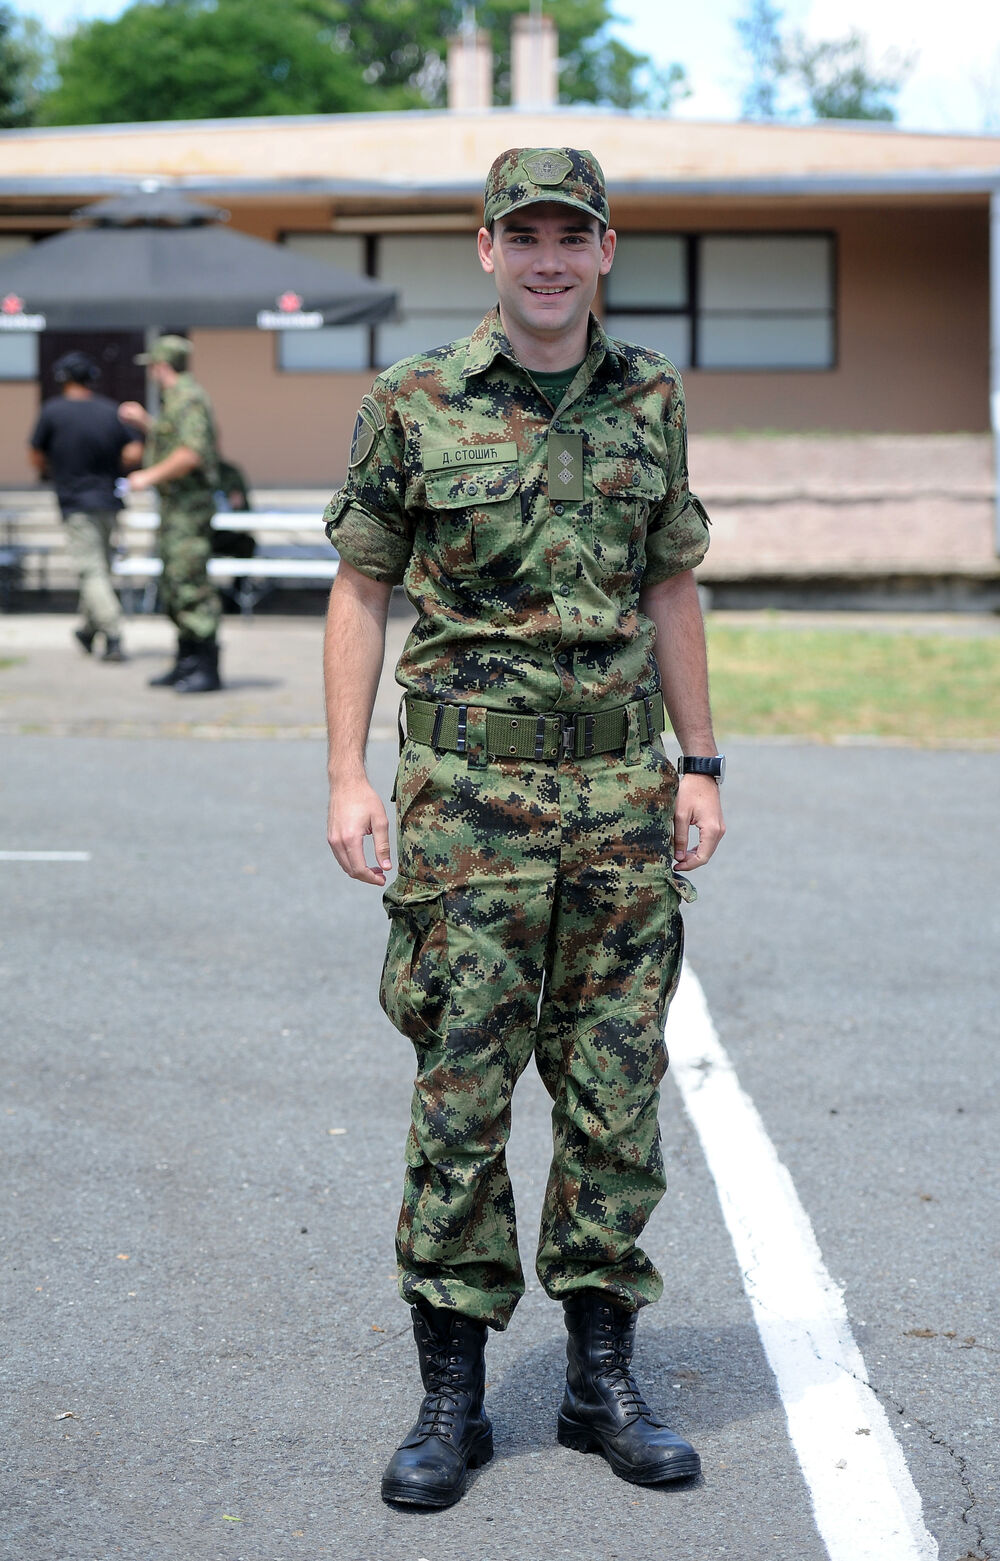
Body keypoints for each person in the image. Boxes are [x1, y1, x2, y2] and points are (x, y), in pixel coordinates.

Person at [322, 147, 726, 1510]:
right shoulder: (413, 399)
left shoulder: (651, 399)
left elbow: (671, 584)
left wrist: (702, 763)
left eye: (572, 234)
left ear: (605, 250)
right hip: (465, 809)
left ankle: (601, 1378)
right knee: (462, 1092)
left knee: (615, 1095)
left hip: (618, 801)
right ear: (486, 249)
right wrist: (346, 774)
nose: (549, 258)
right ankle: (452, 1396)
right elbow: (361, 590)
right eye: (525, 234)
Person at [119, 335, 223, 693]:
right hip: (176, 508)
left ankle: (206, 667)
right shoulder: (177, 398)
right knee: (174, 583)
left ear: (161, 366)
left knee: (189, 582)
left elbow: (191, 453)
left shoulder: (189, 397)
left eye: (151, 365)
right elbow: (174, 438)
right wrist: (146, 423)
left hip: (188, 509)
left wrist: (147, 476)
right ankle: (187, 661)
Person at [29, 350, 143, 662]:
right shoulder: (109, 410)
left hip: (76, 502)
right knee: (100, 569)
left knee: (91, 571)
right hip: (108, 500)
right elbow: (134, 451)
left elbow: (35, 455)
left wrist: (57, 467)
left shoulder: (52, 412)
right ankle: (89, 630)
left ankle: (113, 633)